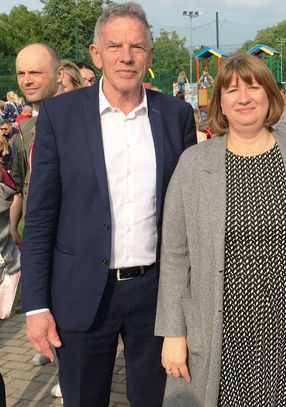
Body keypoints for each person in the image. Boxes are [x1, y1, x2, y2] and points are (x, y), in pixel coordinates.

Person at [20, 3, 196, 406]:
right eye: (114, 46)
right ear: (96, 54)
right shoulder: (61, 116)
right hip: (80, 293)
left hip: (155, 295)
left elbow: (186, 214)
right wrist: (36, 306)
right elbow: (41, 217)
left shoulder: (176, 115)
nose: (126, 56)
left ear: (150, 55)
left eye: (137, 46)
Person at [156, 52, 286, 407]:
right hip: (218, 327)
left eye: (253, 87)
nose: (244, 98)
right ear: (220, 102)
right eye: (232, 90)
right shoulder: (193, 164)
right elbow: (174, 253)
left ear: (270, 95)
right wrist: (173, 332)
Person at [12, 42, 65, 398]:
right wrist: (17, 225)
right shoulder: (27, 129)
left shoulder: (80, 122)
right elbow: (22, 182)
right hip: (37, 233)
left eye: (36, 72)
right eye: (21, 73)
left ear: (58, 75)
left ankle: (67, 369)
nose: (27, 80)